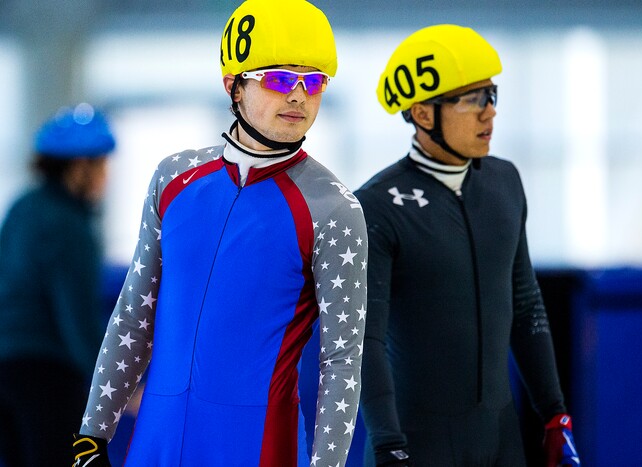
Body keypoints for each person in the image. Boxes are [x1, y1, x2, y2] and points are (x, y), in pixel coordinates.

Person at [71, 0, 367, 466]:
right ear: (233, 85)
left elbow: (341, 362)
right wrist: (93, 433)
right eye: (279, 78)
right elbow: (133, 316)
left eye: (313, 82)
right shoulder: (175, 179)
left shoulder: (332, 209)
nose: (298, 96)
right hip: (157, 443)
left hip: (258, 447)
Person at [356, 24, 580, 467]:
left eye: (492, 96)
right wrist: (387, 444)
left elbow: (525, 302)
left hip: (501, 441)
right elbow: (366, 340)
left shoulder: (504, 182)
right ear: (423, 113)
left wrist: (555, 415)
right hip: (416, 445)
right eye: (473, 100)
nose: (489, 114)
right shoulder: (377, 206)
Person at [0, 103, 115, 467]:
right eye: (101, 166)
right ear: (80, 167)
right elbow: (76, 317)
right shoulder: (69, 227)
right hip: (45, 374)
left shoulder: (23, 207)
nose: (105, 178)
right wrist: (115, 388)